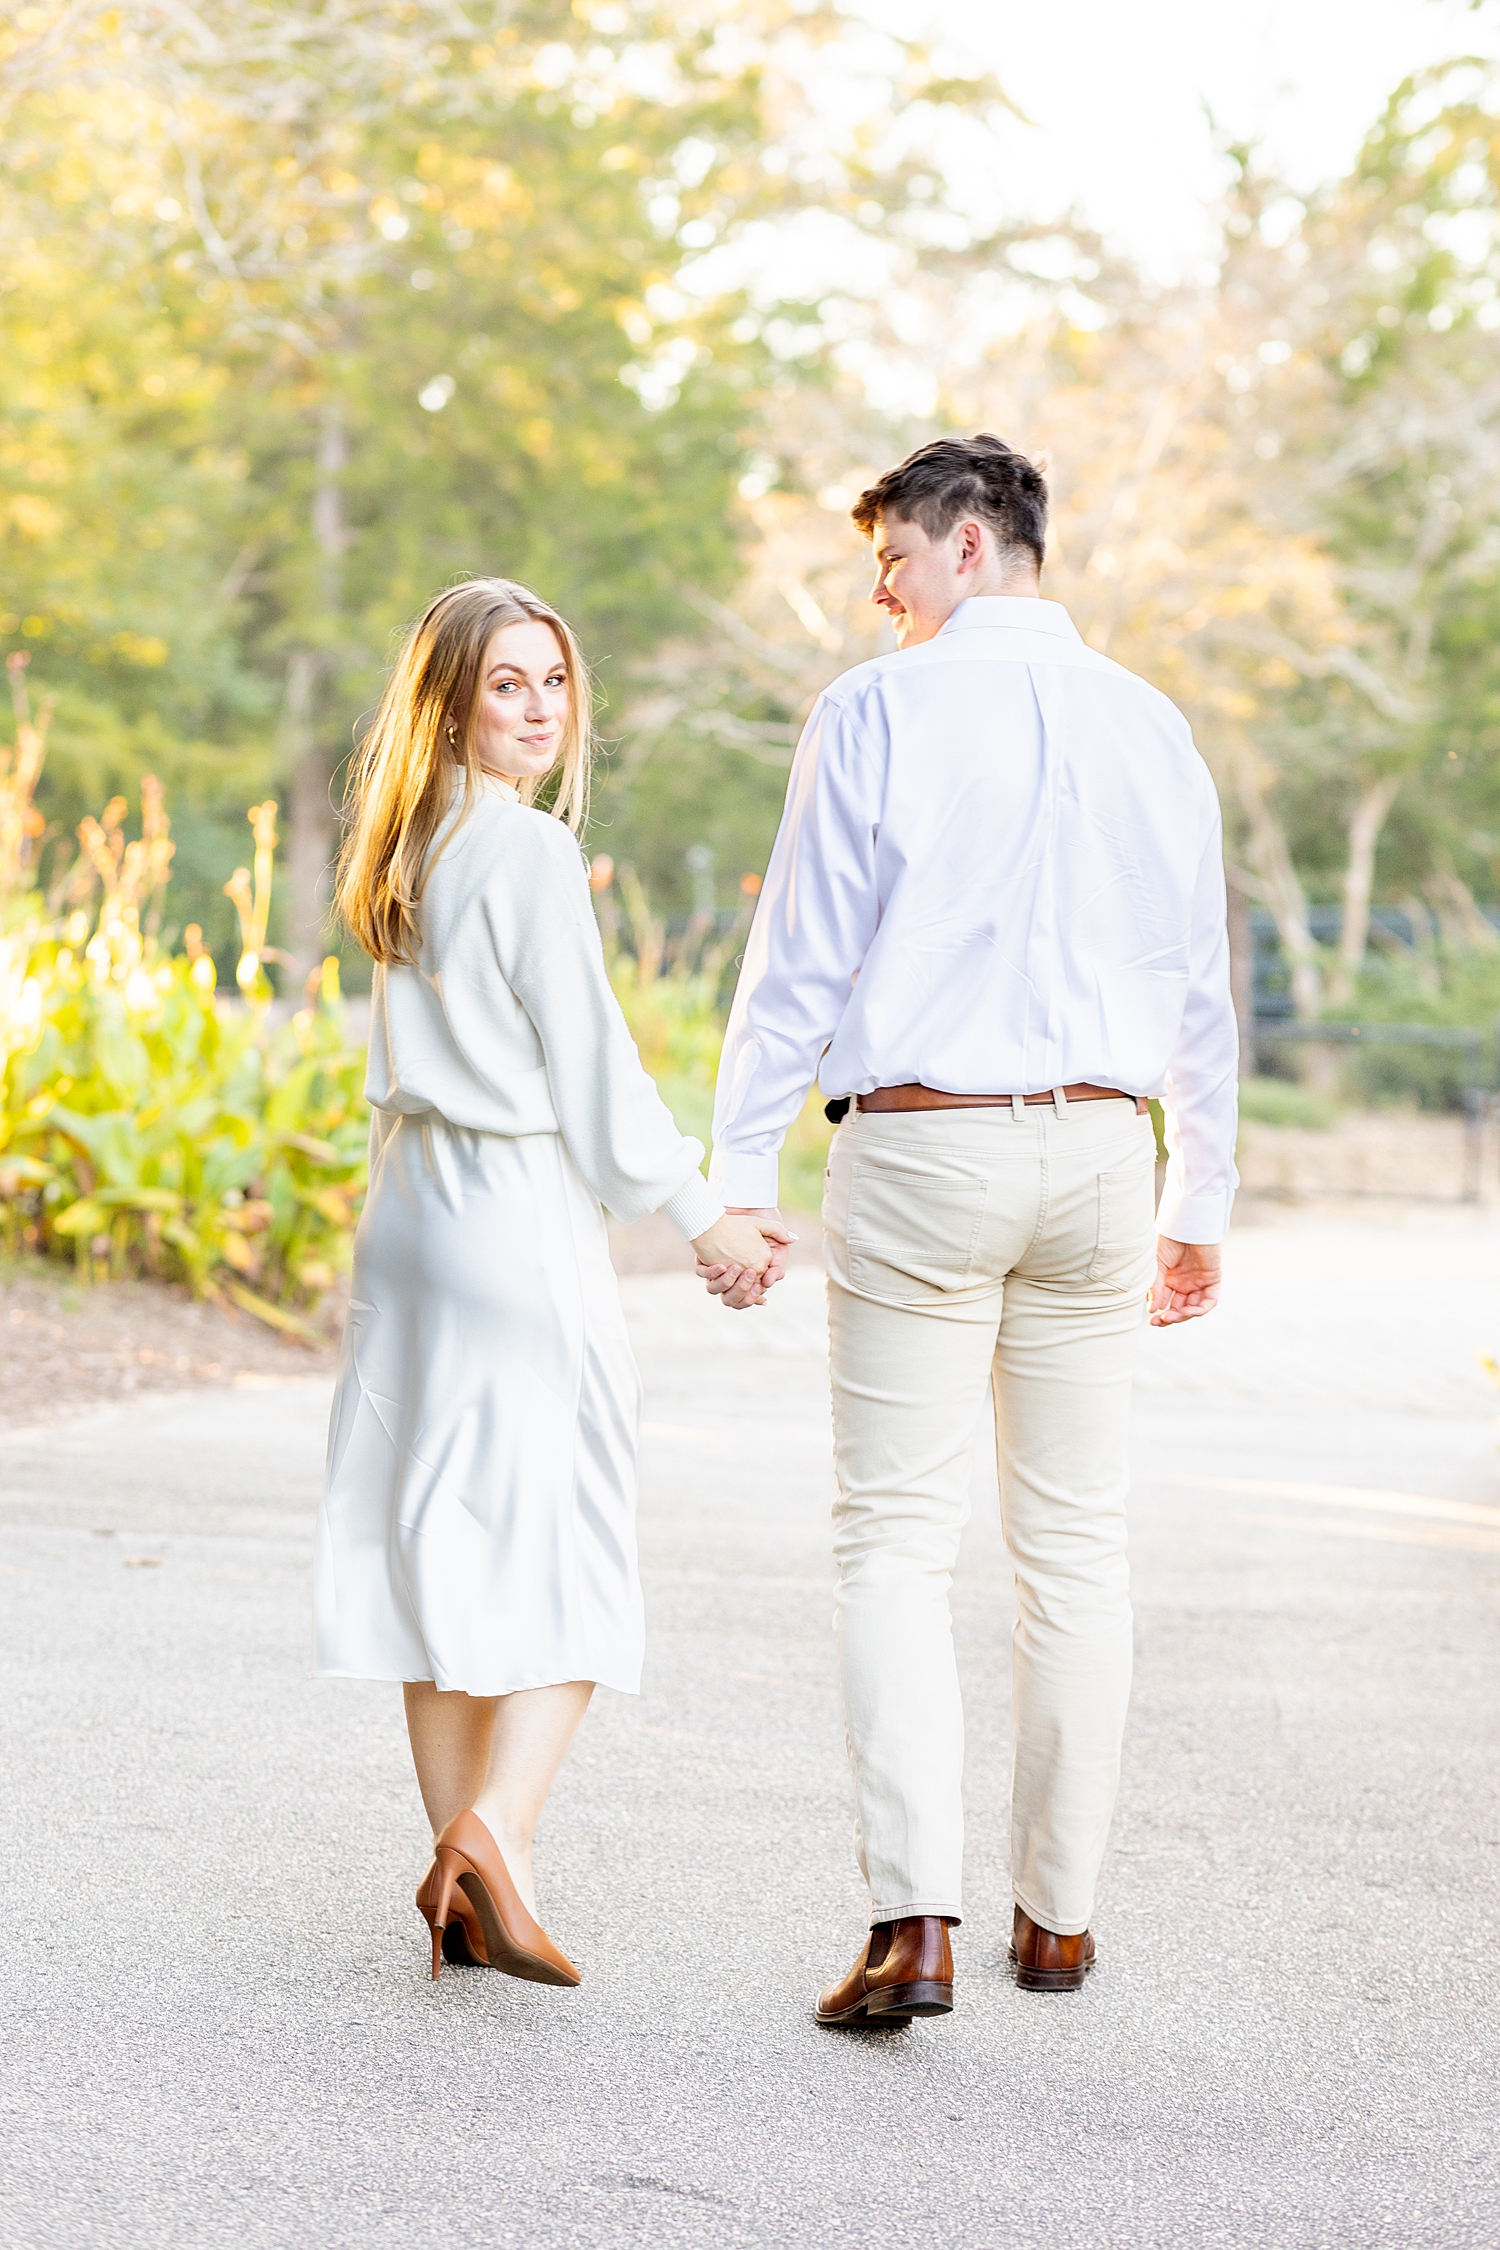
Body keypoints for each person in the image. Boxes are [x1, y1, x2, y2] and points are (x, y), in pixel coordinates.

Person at [699, 435, 1238, 2022]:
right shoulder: (1155, 725)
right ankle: (1058, 1921)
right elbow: (1199, 980)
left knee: (894, 1536)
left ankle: (912, 1921)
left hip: (927, 1152)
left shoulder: (876, 710)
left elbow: (798, 954)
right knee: (1075, 1547)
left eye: (892, 557)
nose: (878, 590)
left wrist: (740, 1169)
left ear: (970, 541)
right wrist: (1196, 1197)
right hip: (1100, 1154)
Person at [316, 577, 781, 1986]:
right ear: (450, 699)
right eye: (507, 683)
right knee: (576, 1532)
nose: (537, 708)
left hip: (410, 1210)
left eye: (554, 683)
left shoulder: (403, 843)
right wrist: (707, 1217)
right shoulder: (520, 852)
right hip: (508, 1212)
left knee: (438, 1536)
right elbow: (596, 1072)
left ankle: (463, 1875)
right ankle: (497, 1835)